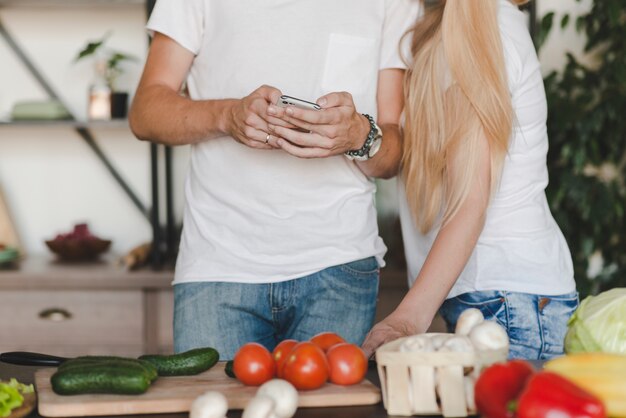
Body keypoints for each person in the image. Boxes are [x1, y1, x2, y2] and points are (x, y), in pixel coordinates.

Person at [129, 0, 418, 360]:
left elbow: (391, 159)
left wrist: (360, 136)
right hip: (218, 265)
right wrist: (226, 116)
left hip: (339, 269)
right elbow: (145, 112)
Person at [361, 0, 578, 360]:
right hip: (495, 298)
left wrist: (406, 319)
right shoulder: (443, 27)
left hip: (508, 302)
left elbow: (469, 201)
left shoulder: (486, 28)